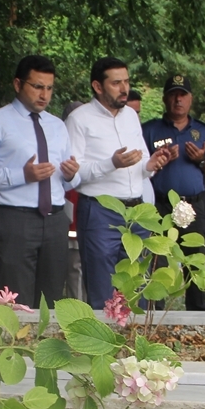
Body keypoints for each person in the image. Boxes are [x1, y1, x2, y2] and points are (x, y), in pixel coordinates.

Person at [0, 55, 80, 309]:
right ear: (18, 84)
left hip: (54, 220)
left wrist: (72, 174)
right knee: (16, 302)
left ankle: (45, 348)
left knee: (51, 300)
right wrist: (22, 176)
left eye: (49, 88)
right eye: (37, 86)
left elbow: (67, 181)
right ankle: (16, 347)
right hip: (14, 220)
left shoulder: (57, 126)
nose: (44, 95)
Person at [66, 57, 170, 309]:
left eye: (126, 81)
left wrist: (151, 164)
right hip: (101, 212)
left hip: (137, 211)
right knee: (103, 289)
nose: (124, 88)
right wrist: (111, 163)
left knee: (139, 284)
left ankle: (136, 345)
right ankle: (102, 346)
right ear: (97, 86)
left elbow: (142, 162)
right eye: (116, 83)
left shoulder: (131, 117)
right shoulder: (79, 119)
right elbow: (72, 174)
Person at [141, 74, 205, 311]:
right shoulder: (149, 130)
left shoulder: (203, 131)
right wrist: (160, 161)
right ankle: (154, 318)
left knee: (196, 263)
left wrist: (201, 160)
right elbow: (138, 169)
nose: (178, 100)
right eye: (173, 94)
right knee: (158, 264)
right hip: (160, 205)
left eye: (183, 94)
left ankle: (198, 319)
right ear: (165, 98)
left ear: (190, 99)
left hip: (193, 206)